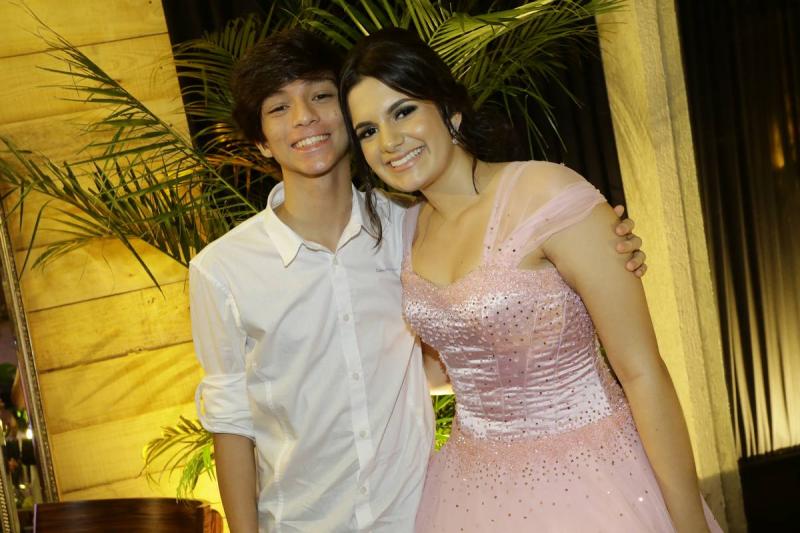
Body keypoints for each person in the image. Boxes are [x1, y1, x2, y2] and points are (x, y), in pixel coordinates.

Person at [189, 28, 647, 533]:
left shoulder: (412, 226)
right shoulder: (222, 270)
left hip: (417, 514)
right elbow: (231, 424)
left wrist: (602, 247)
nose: (304, 117)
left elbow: (476, 326)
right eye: (279, 107)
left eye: (320, 96)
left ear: (349, 117)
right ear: (260, 140)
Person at [339, 28, 722, 533]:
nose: (389, 142)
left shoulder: (545, 193)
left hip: (594, 476)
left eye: (403, 111)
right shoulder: (406, 228)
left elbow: (642, 371)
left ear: (450, 110)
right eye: (368, 131)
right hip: (470, 489)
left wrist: (690, 523)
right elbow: (447, 364)